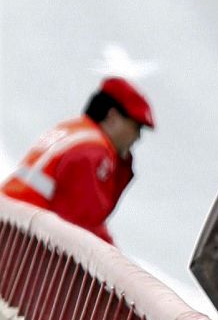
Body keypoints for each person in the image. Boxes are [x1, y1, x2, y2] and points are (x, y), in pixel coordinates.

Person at [3, 77, 155, 244]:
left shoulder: (73, 129)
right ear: (112, 116)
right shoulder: (95, 152)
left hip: (11, 225)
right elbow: (81, 226)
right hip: (21, 241)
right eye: (136, 127)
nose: (137, 137)